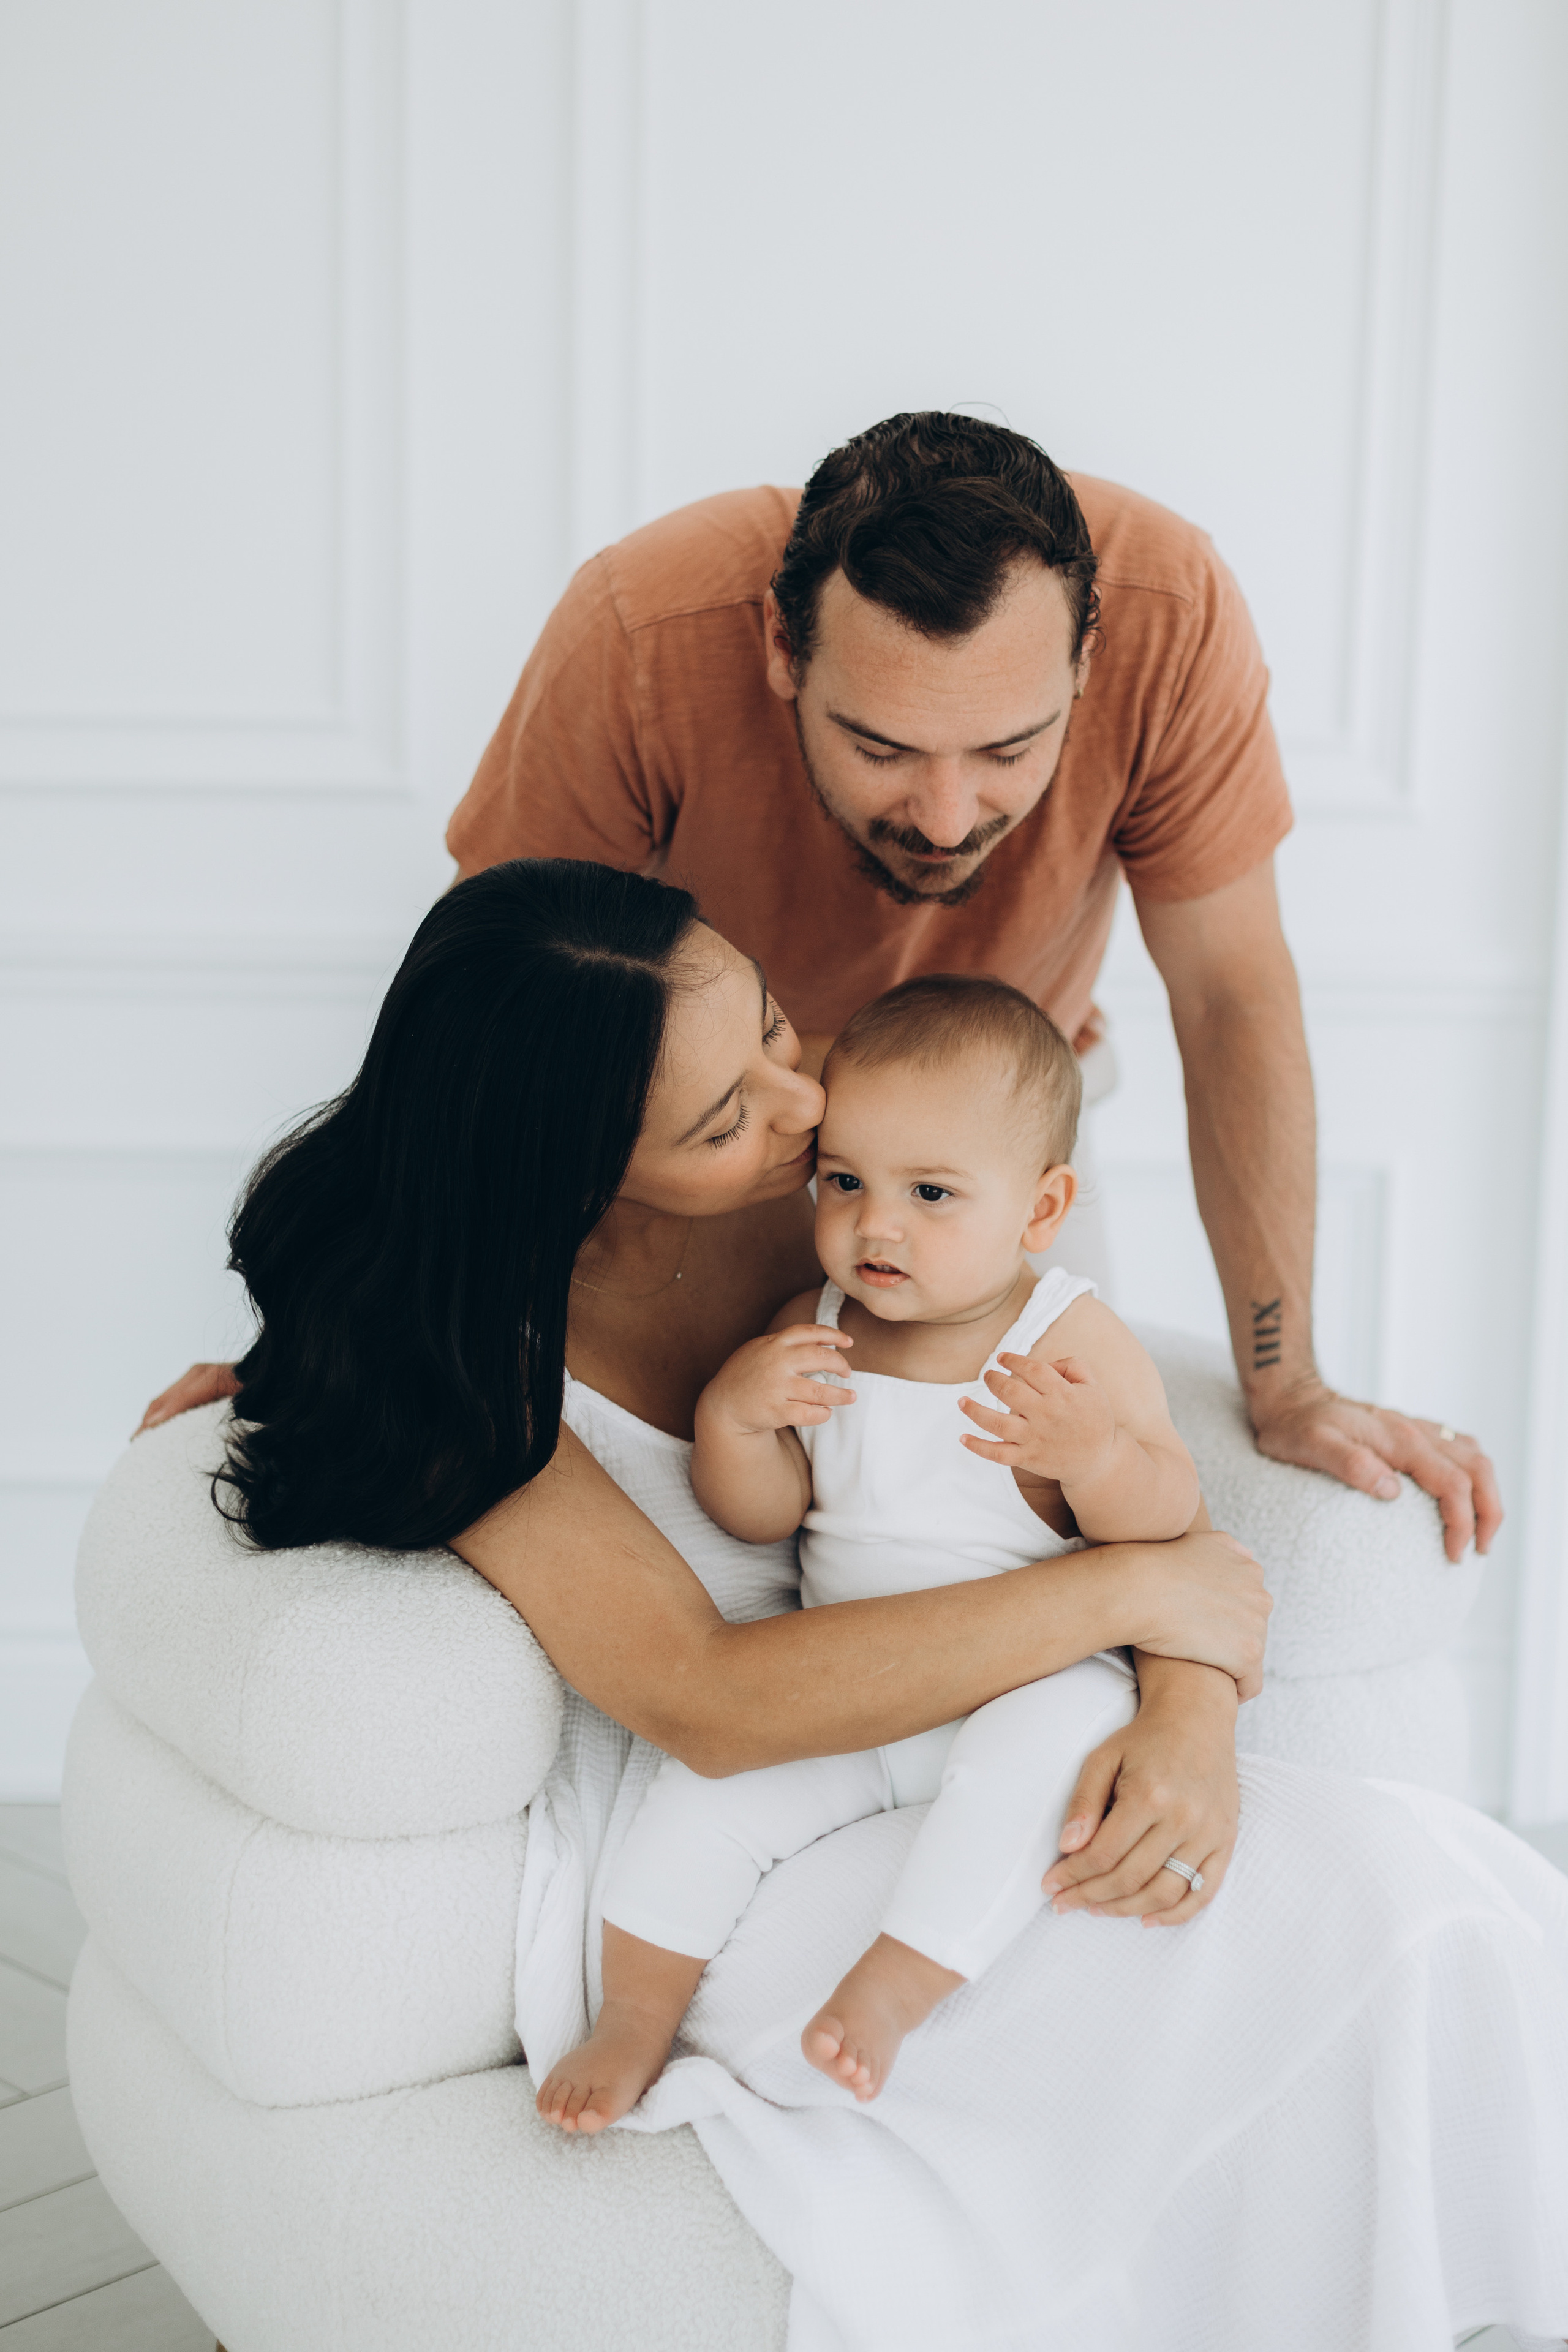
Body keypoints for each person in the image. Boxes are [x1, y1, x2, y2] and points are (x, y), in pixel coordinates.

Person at [202, 859, 1565, 2348]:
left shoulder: (839, 1193)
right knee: (1317, 1948)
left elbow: (1099, 1472)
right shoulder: (469, 1378)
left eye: (778, 1035)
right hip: (768, 1846)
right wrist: (1138, 1590)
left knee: (1425, 1897)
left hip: (997, 1736)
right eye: (731, 1115)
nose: (802, 1117)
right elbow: (714, 1705)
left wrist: (1185, 1706)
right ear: (575, 1170)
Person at [439, 410, 1500, 1565]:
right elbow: (492, 1018)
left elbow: (1230, 999)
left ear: (1090, 658)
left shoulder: (1174, 616)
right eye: (882, 749)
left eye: (1007, 751)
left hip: (1000, 1142)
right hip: (713, 1145)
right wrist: (363, 1331)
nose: (946, 822)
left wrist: (1288, 1380)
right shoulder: (638, 628)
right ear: (783, 651)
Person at [538, 973, 1197, 2129]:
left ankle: (898, 1984)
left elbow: (1169, 1523)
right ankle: (633, 2018)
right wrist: (736, 1421)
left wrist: (1096, 1459)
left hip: (1036, 1680)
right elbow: (766, 1517)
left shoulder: (1070, 1337)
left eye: (932, 1193)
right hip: (851, 1690)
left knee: (1030, 1779)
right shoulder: (818, 1325)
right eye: (844, 1181)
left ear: (1041, 1213)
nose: (874, 1225)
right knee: (702, 1805)